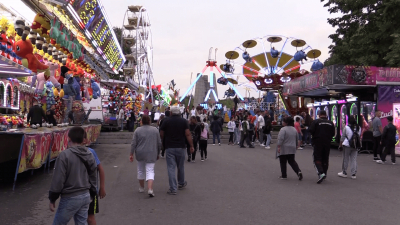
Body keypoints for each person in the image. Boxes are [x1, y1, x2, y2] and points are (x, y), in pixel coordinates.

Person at [49, 127, 97, 225]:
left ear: (69, 138)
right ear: (83, 139)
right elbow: (94, 176)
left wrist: (52, 198)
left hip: (70, 197)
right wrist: (92, 193)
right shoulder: (89, 154)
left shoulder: (64, 155)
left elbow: (58, 180)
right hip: (85, 196)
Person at [160, 106, 194, 195]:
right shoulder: (184, 121)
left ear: (171, 113)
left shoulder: (166, 121)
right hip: (181, 146)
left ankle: (173, 188)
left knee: (171, 168)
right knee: (181, 166)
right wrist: (191, 145)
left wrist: (162, 142)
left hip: (169, 146)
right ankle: (181, 183)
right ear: (179, 113)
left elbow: (161, 133)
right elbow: (187, 134)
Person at [130, 115, 162, 197]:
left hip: (140, 153)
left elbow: (133, 143)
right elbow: (159, 143)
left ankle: (141, 187)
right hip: (152, 152)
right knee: (150, 170)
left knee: (140, 170)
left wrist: (131, 153)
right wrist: (158, 153)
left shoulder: (137, 130)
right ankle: (150, 189)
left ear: (141, 121)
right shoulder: (155, 130)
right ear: (149, 121)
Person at [309, 110, 335, 184]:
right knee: (325, 158)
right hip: (327, 142)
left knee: (317, 158)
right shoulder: (330, 123)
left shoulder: (316, 122)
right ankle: (325, 173)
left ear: (319, 115)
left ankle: (321, 173)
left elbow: (310, 130)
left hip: (318, 142)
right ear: (326, 115)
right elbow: (333, 133)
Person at [87, 147, 106, 225]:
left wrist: (102, 187)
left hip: (91, 191)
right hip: (75, 191)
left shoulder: (90, 152)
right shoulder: (68, 153)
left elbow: (100, 168)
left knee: (90, 218)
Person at [338, 115, 361, 179]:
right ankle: (353, 174)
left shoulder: (346, 127)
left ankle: (344, 172)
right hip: (355, 145)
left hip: (347, 145)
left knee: (346, 158)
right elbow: (359, 136)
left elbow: (342, 137)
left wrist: (340, 145)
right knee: (353, 159)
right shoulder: (359, 127)